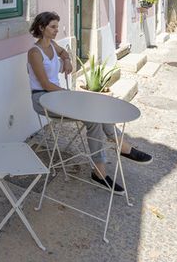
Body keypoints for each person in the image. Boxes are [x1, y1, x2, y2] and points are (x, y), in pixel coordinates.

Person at [27, 11, 152, 195]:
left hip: (58, 96)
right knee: (92, 119)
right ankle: (106, 165)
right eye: (53, 27)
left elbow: (63, 52)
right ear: (41, 27)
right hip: (42, 98)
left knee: (96, 112)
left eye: (57, 26)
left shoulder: (52, 45)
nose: (56, 30)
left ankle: (114, 153)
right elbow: (45, 84)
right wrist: (71, 96)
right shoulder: (34, 53)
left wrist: (67, 59)